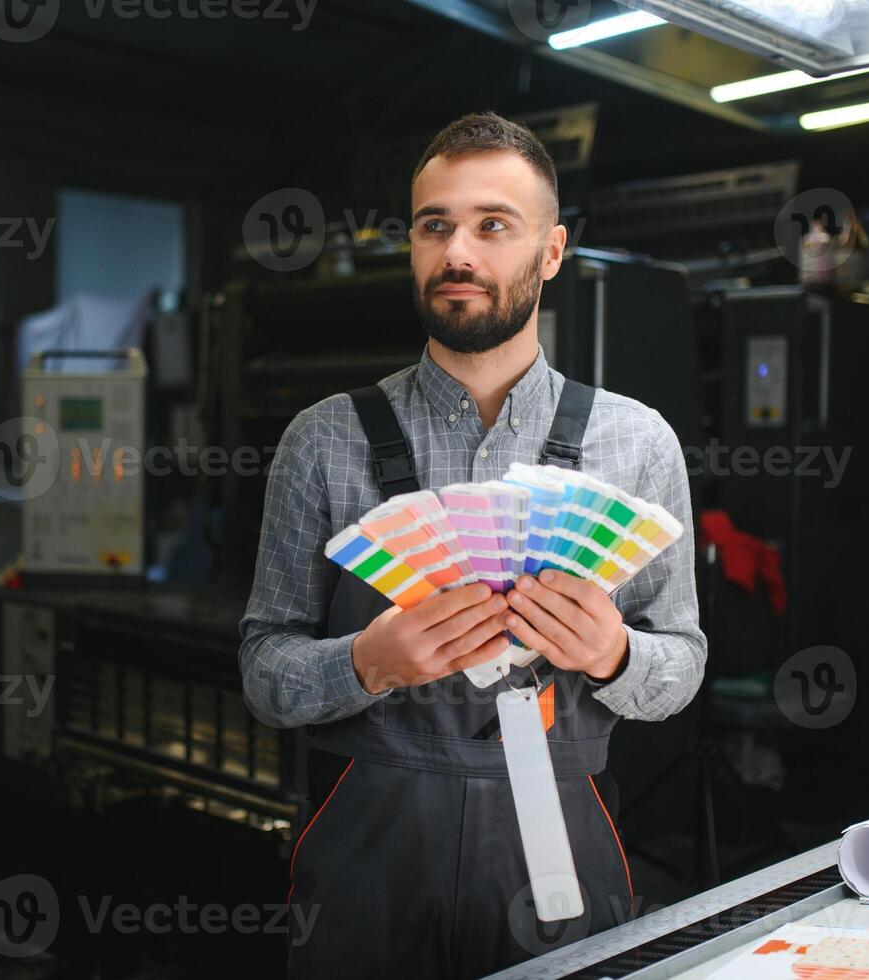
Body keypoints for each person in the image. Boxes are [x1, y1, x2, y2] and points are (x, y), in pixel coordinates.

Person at [238, 111, 706, 979]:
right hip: (368, 840)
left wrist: (614, 656)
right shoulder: (323, 439)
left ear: (552, 251)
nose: (459, 252)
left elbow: (681, 666)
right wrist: (364, 664)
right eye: (434, 225)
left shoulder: (635, 443)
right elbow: (263, 671)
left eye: (494, 225)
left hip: (561, 832)